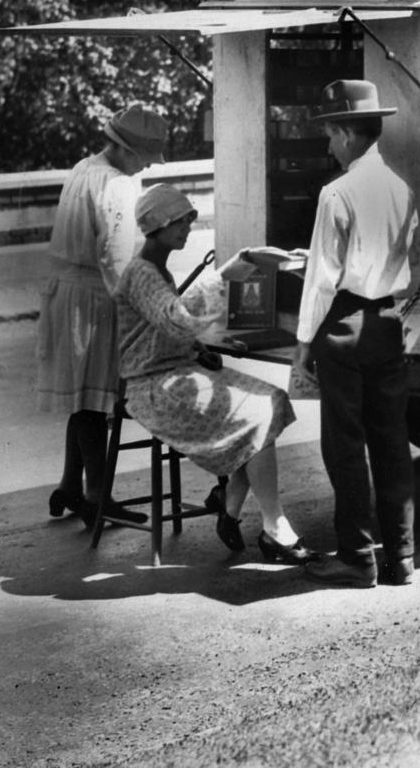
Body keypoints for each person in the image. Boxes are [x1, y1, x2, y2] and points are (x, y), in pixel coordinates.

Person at [113, 184, 313, 563]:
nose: (188, 229)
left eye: (189, 221)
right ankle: (275, 527)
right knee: (253, 414)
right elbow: (177, 319)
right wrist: (228, 273)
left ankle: (231, 507)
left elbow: (159, 330)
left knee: (271, 400)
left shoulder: (155, 268)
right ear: (157, 225)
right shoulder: (141, 273)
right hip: (154, 387)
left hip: (177, 372)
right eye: (180, 223)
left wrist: (198, 350)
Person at [292, 80, 420, 588]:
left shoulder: (336, 193)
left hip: (344, 325)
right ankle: (402, 554)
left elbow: (322, 277)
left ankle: (357, 555)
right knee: (392, 442)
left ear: (347, 133)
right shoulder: (400, 187)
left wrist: (303, 342)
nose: (328, 145)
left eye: (330, 134)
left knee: (345, 446)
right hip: (388, 321)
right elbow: (404, 258)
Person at [37, 103, 167, 527]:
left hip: (65, 289)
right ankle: (97, 495)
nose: (148, 164)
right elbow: (115, 257)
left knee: (82, 395)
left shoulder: (83, 168)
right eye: (148, 155)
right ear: (130, 150)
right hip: (94, 294)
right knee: (97, 399)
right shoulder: (117, 185)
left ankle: (71, 483)